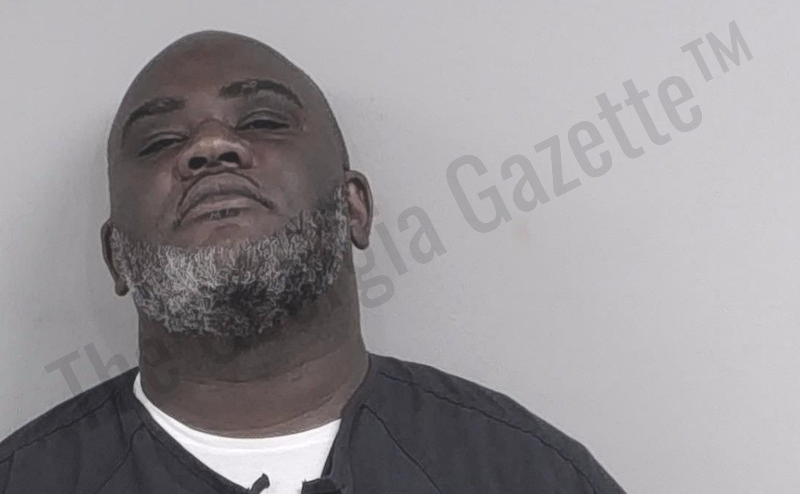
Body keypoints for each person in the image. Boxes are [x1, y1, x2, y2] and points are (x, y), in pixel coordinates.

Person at [0, 31, 626, 494]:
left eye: (262, 121)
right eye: (162, 141)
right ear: (117, 257)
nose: (211, 146)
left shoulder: (524, 472)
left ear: (352, 208)